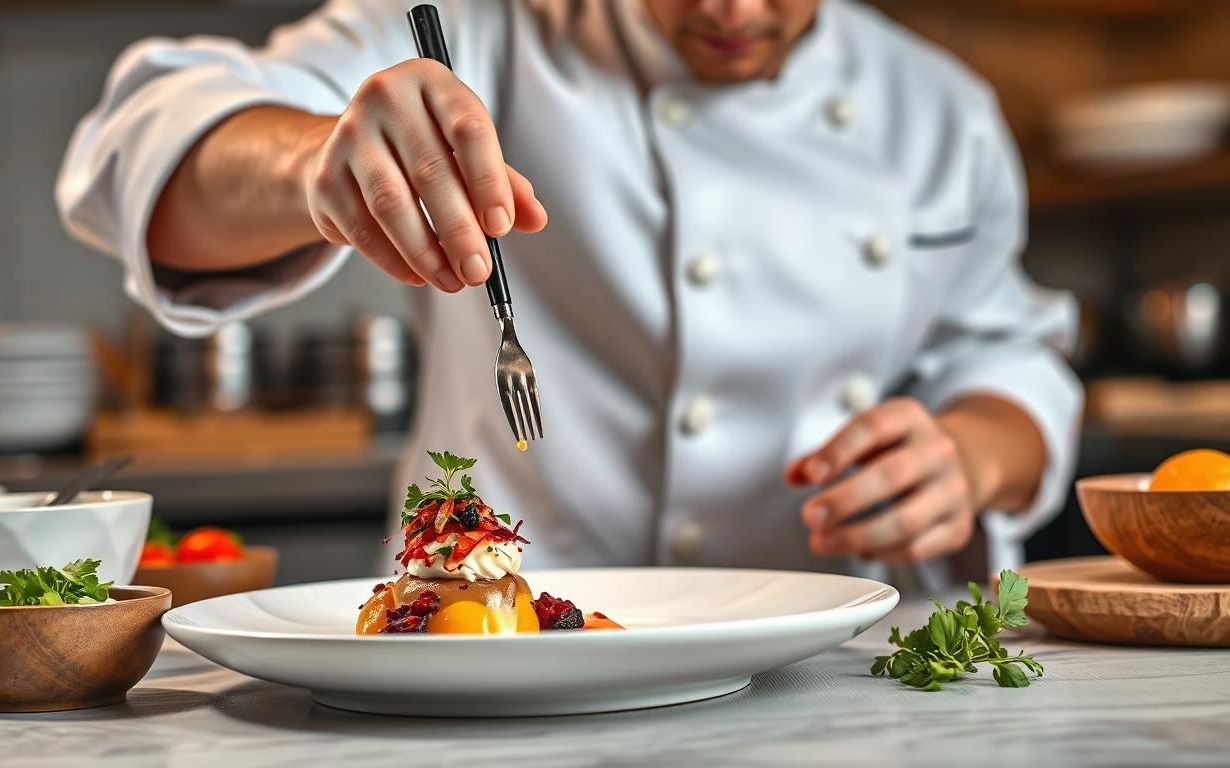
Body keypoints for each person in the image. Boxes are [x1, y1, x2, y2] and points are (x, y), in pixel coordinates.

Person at [57, 0, 1081, 587]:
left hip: (834, 666)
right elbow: (137, 140)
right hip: (493, 662)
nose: (731, 11)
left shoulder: (939, 108)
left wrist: (970, 456)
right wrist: (310, 162)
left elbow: (1006, 356)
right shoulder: (482, 24)